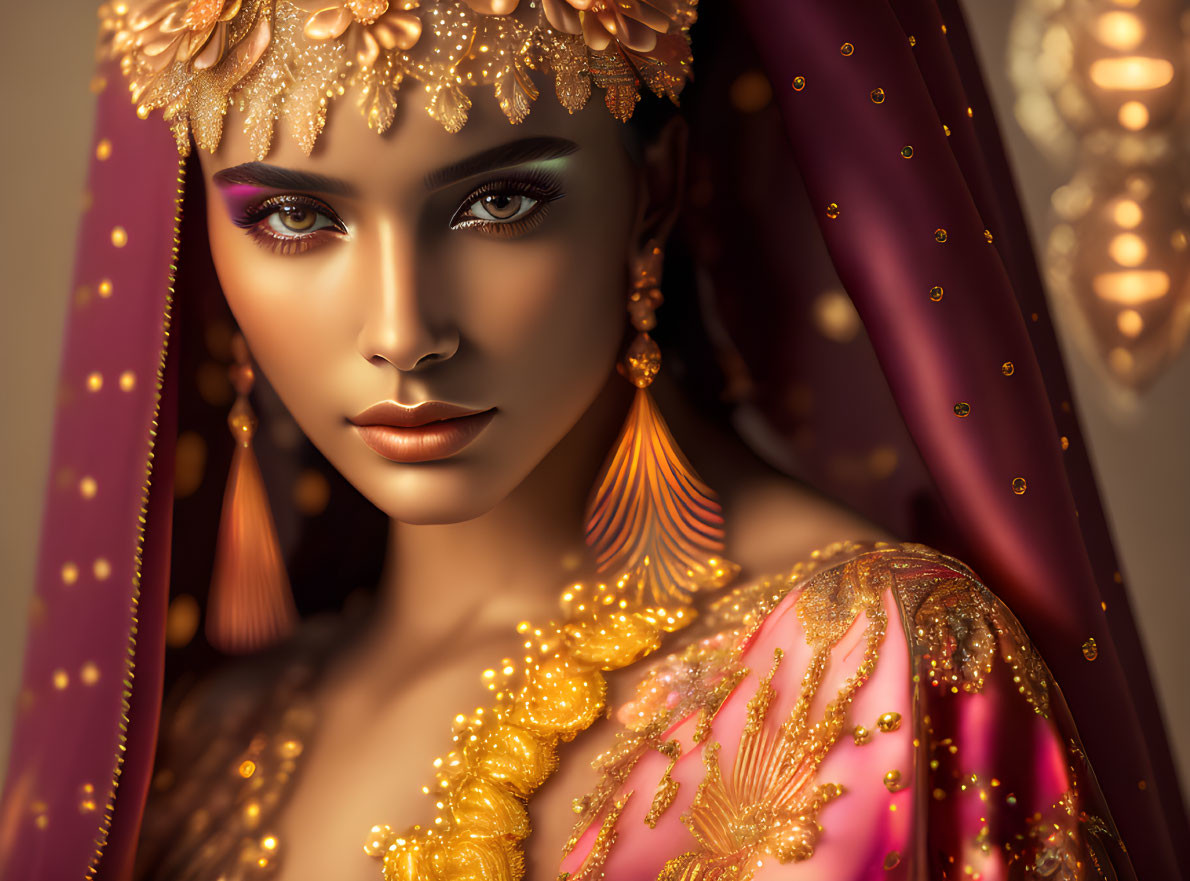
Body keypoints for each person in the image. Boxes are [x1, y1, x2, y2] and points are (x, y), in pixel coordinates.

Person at [1, 0, 1185, 878]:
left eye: (497, 203)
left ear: (651, 190)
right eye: (296, 217)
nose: (401, 330)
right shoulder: (191, 757)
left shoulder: (860, 668)